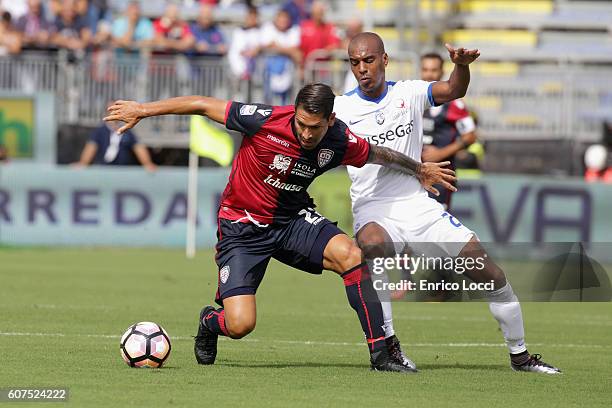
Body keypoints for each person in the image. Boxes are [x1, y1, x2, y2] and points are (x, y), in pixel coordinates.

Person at [103, 83, 456, 373]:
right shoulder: (265, 119)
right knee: (241, 325)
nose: (305, 133)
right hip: (242, 226)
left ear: (330, 120)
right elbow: (200, 103)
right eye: (301, 124)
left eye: (314, 127)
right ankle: (211, 321)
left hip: (292, 221)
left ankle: (383, 354)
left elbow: (379, 154)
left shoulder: (339, 141)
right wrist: (143, 110)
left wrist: (420, 169)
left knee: (351, 255)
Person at [333, 32, 561, 374]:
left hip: (417, 204)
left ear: (384, 59)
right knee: (372, 244)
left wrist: (461, 67)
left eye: (368, 60)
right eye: (354, 62)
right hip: (373, 207)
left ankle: (521, 355)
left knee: (489, 272)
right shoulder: (341, 108)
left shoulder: (408, 92)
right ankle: (389, 346)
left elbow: (454, 89)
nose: (362, 68)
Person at [420, 52, 477, 210]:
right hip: (415, 175)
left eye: (433, 70)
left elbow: (471, 136)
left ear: (442, 72)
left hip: (440, 177)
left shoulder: (454, 104)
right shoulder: (413, 100)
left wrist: (441, 153)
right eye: (425, 70)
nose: (429, 74)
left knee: (435, 227)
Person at [73, 121, 157, 171]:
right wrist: (83, 163)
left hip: (122, 170)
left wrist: (147, 163)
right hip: (103, 170)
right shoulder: (99, 131)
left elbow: (138, 147)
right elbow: (91, 147)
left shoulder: (127, 131)